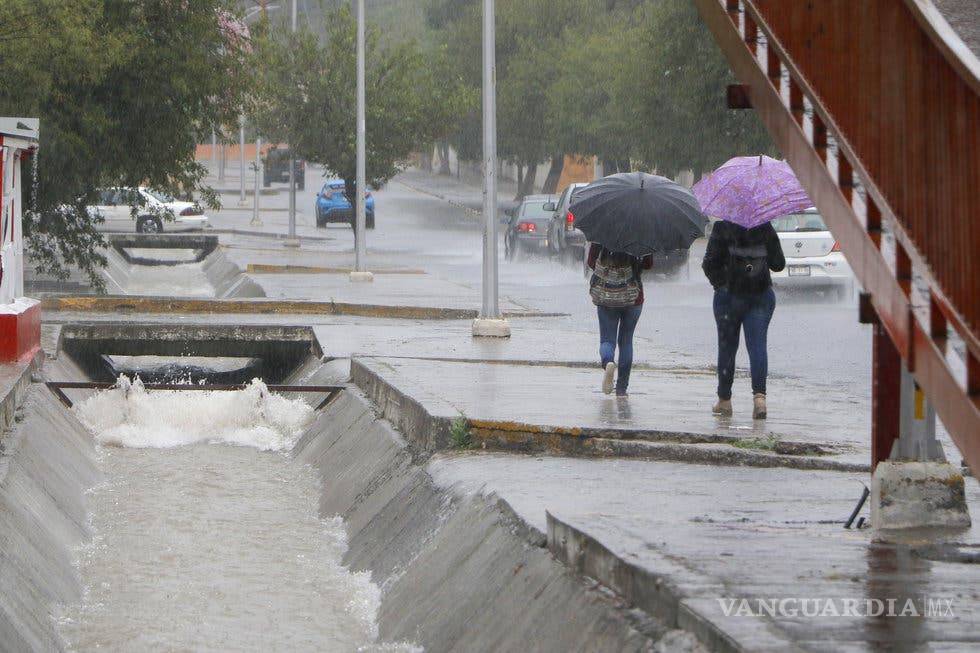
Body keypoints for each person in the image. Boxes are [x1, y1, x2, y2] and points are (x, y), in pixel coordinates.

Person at [701, 220, 785, 419]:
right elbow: (778, 264)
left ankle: (724, 401)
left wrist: (721, 285)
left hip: (729, 296)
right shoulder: (764, 227)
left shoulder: (722, 228)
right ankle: (759, 399)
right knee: (757, 346)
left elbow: (709, 264)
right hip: (760, 294)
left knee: (727, 347)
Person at [587, 243, 653, 397]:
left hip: (606, 295)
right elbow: (648, 264)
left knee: (607, 340)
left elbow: (591, 262)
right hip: (633, 296)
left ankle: (608, 362)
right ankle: (622, 388)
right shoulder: (642, 235)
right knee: (626, 342)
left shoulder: (602, 233)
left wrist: (609, 269)